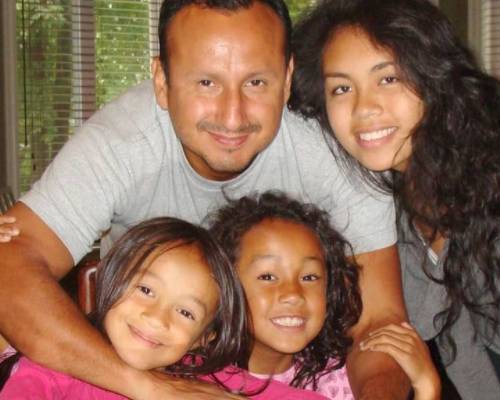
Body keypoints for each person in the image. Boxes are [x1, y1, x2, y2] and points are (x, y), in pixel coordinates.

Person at [0, 0, 410, 399]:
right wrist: (154, 389)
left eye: (256, 83)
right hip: (136, 362)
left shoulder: (335, 152)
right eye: (206, 83)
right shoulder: (121, 144)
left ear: (287, 79)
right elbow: (10, 267)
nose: (232, 116)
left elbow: (379, 325)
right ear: (162, 82)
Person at [289, 0, 500, 399]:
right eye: (342, 88)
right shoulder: (383, 186)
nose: (364, 108)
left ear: (434, 79)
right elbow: (447, 326)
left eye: (388, 78)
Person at [0, 217, 327, 399]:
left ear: (203, 337)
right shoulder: (54, 366)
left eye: (185, 312)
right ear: (109, 282)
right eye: (145, 290)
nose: (156, 318)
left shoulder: (202, 375)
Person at [208, 191, 441, 400]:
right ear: (225, 284)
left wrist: (427, 388)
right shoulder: (197, 379)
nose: (293, 294)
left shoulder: (339, 383)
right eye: (268, 277)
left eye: (309, 277)